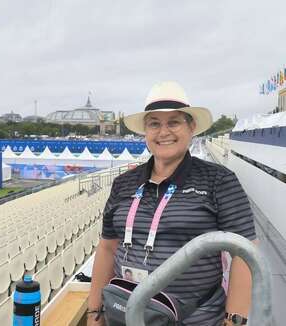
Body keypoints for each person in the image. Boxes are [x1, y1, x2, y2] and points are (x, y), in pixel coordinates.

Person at [88, 81, 257, 326]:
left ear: (191, 128)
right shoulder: (123, 184)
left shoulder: (218, 181)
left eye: (174, 122)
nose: (163, 132)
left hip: (194, 320)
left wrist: (234, 320)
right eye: (154, 124)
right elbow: (107, 248)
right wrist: (94, 312)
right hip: (124, 315)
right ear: (145, 132)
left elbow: (245, 253)